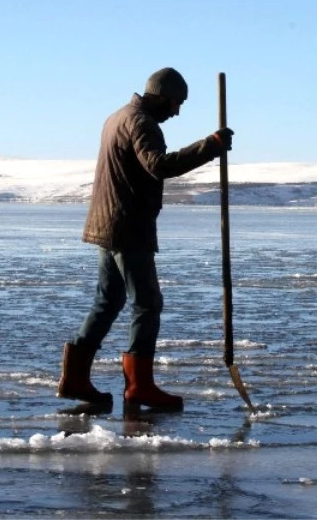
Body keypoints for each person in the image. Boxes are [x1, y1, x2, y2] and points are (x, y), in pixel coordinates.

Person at [57, 67, 232, 410]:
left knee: (108, 302)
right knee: (147, 303)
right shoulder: (141, 122)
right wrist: (209, 147)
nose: (176, 112)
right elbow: (159, 165)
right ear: (161, 96)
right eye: (176, 103)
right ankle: (139, 386)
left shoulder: (118, 117)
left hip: (109, 224)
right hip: (127, 226)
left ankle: (75, 378)